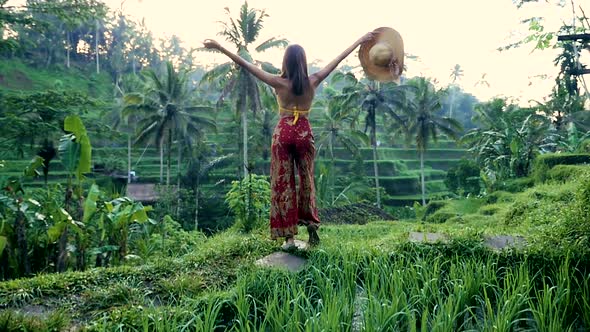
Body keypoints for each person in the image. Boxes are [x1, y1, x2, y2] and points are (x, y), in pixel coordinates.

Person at [204, 31, 375, 248]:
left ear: (285, 61)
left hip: (283, 133)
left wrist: (221, 48)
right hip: (304, 132)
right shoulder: (313, 81)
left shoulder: (278, 83)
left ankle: (289, 239)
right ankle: (312, 227)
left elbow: (248, 66)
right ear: (304, 62)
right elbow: (337, 60)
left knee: (283, 183)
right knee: (307, 181)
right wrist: (359, 41)